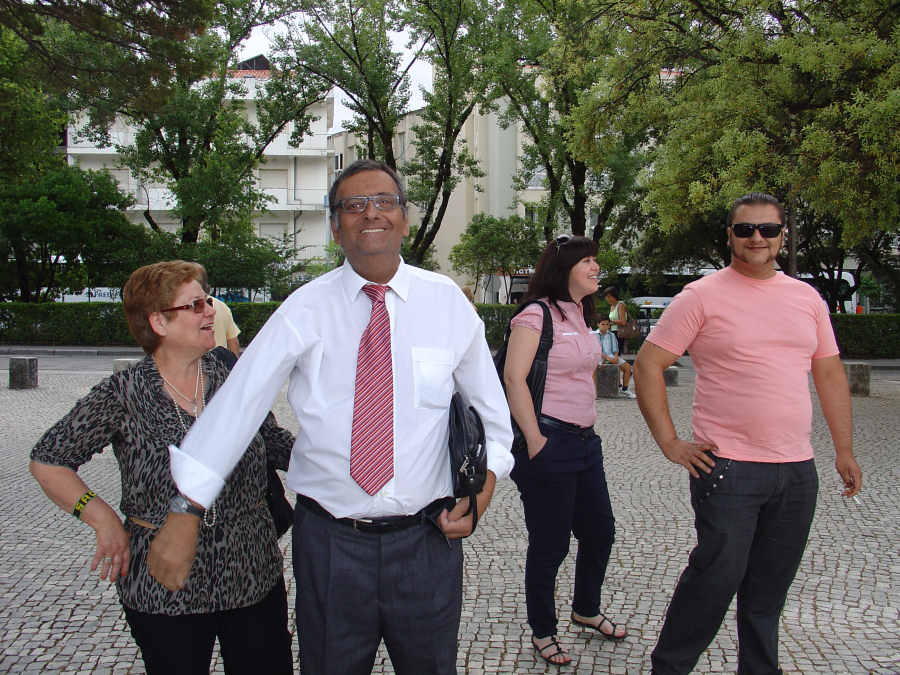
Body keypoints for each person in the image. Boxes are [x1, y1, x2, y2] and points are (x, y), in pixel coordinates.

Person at [146, 159, 514, 675]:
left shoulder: (447, 303)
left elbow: (493, 420)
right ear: (336, 227)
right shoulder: (304, 309)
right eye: (354, 205)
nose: (371, 213)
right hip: (331, 547)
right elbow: (239, 403)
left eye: (385, 201)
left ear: (405, 220)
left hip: (427, 543)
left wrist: (483, 491)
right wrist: (186, 508)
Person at [634, 193, 863, 674]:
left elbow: (828, 374)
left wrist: (844, 450)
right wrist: (670, 442)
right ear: (730, 236)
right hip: (729, 469)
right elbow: (648, 364)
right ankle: (669, 668)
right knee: (714, 581)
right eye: (745, 229)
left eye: (767, 229)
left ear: (782, 236)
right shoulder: (700, 296)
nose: (757, 238)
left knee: (767, 593)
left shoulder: (806, 298)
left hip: (796, 470)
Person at [28, 260, 294, 675]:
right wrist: (103, 520)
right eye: (195, 305)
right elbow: (48, 459)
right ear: (158, 322)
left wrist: (344, 457)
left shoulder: (233, 378)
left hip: (251, 573)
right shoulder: (123, 393)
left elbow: (275, 444)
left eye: (208, 301)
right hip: (163, 582)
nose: (210, 311)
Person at [503, 235, 626, 667]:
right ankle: (543, 629)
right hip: (549, 442)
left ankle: (585, 609)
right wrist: (536, 440)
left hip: (585, 442)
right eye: (587, 261)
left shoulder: (580, 312)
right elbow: (514, 378)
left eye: (596, 260)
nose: (595, 267)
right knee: (550, 544)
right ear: (564, 269)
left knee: (600, 531)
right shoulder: (535, 315)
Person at [597, 318, 635, 398]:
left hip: (611, 356)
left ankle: (624, 389)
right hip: (599, 357)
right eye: (603, 324)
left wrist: (616, 357)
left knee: (628, 368)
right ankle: (618, 385)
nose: (605, 326)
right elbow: (596, 350)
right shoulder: (594, 335)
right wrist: (608, 358)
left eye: (607, 324)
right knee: (607, 365)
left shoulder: (612, 335)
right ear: (598, 324)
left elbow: (615, 349)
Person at [603, 286, 629, 353]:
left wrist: (610, 322)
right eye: (606, 297)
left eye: (609, 296)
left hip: (619, 333)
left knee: (616, 353)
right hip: (612, 332)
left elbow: (623, 322)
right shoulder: (612, 306)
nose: (607, 299)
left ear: (614, 296)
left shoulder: (620, 305)